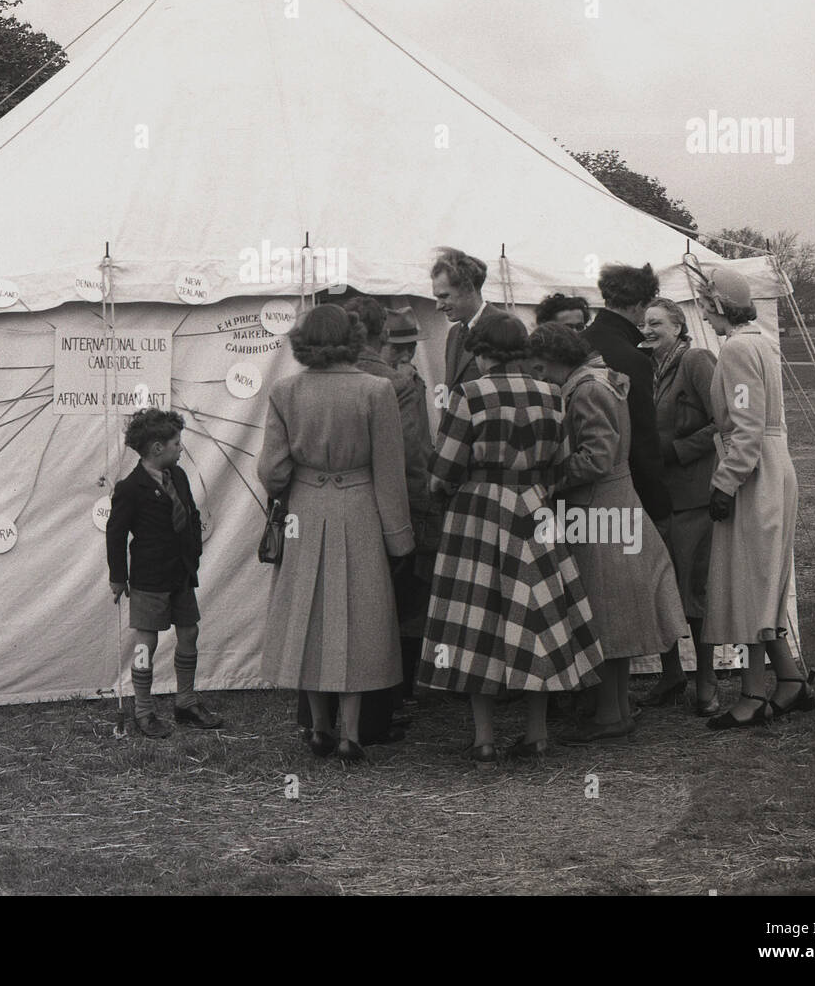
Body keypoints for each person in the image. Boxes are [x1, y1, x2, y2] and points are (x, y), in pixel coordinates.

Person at [418, 312, 604, 764]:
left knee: (475, 621)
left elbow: (443, 470)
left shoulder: (469, 394)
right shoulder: (550, 393)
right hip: (534, 508)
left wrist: (444, 490)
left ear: (480, 352)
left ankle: (484, 739)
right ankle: (537, 733)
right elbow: (560, 464)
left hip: (477, 513)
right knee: (535, 614)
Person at [257, 305, 415, 762]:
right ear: (355, 335)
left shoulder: (285, 390)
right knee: (359, 617)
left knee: (307, 613)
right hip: (360, 507)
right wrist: (400, 538)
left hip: (305, 509)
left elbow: (272, 470)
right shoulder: (376, 389)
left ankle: (318, 727)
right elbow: (390, 470)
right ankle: (350, 733)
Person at [527, 322, 687, 744]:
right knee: (613, 614)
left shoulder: (586, 389)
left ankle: (611, 713)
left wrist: (549, 476)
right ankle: (611, 708)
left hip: (598, 510)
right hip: (613, 502)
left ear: (559, 359)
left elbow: (596, 457)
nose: (541, 377)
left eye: (543, 368)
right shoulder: (602, 379)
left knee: (605, 612)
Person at [693, 267, 815, 730]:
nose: (705, 316)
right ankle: (790, 680)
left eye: (706, 307)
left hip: (755, 471)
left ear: (720, 306)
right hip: (771, 462)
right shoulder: (762, 342)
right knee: (765, 580)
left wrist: (725, 483)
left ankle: (751, 694)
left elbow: (745, 425)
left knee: (749, 582)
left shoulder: (740, 348)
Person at [583, 262, 680, 694]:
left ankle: (599, 693)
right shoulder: (629, 356)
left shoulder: (583, 340)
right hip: (624, 491)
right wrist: (657, 505)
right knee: (641, 588)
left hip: (577, 490)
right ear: (641, 304)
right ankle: (647, 685)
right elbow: (642, 440)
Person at [106, 408, 224, 737]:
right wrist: (118, 577)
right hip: (149, 578)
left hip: (181, 573)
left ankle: (185, 703)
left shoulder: (179, 476)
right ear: (157, 448)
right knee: (146, 644)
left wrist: (195, 554)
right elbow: (115, 534)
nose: (180, 447)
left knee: (189, 633)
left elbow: (190, 511)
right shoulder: (130, 488)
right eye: (176, 442)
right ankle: (143, 710)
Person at [641, 297, 721, 713]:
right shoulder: (649, 369)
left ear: (678, 325)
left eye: (656, 323)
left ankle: (706, 681)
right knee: (662, 590)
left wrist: (677, 450)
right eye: (644, 324)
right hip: (660, 499)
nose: (648, 330)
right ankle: (671, 674)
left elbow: (722, 421)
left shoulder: (696, 361)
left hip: (693, 496)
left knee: (695, 591)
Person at [383, 304, 438, 701]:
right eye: (396, 347)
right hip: (401, 499)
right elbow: (402, 450)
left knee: (413, 590)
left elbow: (418, 445)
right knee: (400, 592)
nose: (405, 355)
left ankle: (402, 684)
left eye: (410, 346)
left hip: (415, 495)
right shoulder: (393, 384)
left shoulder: (407, 380)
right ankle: (394, 686)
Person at [431, 248, 490, 394]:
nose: (438, 306)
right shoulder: (454, 333)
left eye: (444, 296)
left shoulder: (505, 328)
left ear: (468, 289)